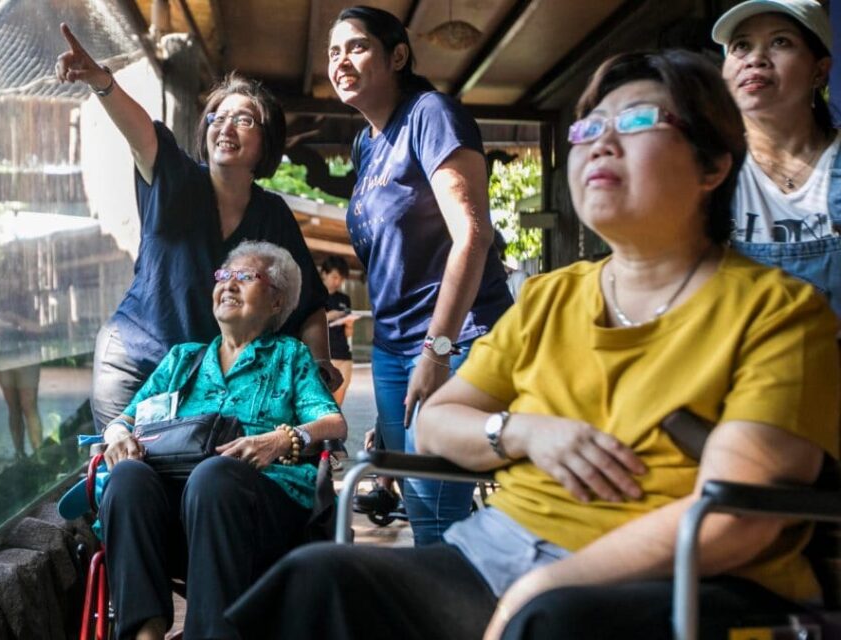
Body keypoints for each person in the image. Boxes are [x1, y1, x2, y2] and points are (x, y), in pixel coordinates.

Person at [225, 50, 840, 640]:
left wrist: (544, 585)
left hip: (679, 576)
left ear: (712, 166)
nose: (601, 140)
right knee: (316, 580)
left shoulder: (778, 314)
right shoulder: (553, 298)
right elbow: (437, 423)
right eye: (589, 126)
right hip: (497, 548)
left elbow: (735, 518)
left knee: (555, 621)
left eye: (636, 121)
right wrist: (522, 433)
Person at [55, 24, 338, 434]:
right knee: (125, 475)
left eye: (243, 119)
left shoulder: (273, 214)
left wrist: (320, 363)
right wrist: (102, 82)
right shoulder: (177, 177)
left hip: (206, 379)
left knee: (190, 480)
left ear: (267, 141)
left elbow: (309, 303)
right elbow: (141, 135)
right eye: (217, 117)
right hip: (135, 358)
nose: (225, 127)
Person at [87, 241, 346, 640]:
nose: (229, 284)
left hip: (258, 510)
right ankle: (144, 634)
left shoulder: (289, 356)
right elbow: (125, 418)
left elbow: (333, 423)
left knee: (215, 476)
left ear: (277, 302)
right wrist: (118, 433)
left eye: (246, 276)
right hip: (173, 512)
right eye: (224, 275)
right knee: (127, 481)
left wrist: (282, 439)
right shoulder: (182, 359)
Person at [328, 5, 513, 545]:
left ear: (398, 56)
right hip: (390, 346)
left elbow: (473, 234)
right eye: (334, 51)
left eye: (357, 46)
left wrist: (438, 348)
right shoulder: (366, 143)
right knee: (420, 503)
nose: (342, 60)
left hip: (456, 337)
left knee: (435, 509)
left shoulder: (431, 114)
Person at [713, 0, 841, 319]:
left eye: (780, 42)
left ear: (820, 71)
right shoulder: (704, 171)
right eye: (741, 46)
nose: (755, 59)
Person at [320, 255, 354, 405]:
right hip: (325, 356)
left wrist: (349, 325)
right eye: (334, 277)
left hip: (344, 355)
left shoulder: (344, 299)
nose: (338, 282)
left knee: (337, 407)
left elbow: (348, 334)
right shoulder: (315, 296)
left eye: (341, 279)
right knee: (323, 406)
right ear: (324, 274)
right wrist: (329, 316)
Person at [0, 364, 43, 459]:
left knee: (19, 408)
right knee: (27, 408)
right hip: (19, 357)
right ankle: (36, 454)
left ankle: (25, 453)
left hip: (9, 357)